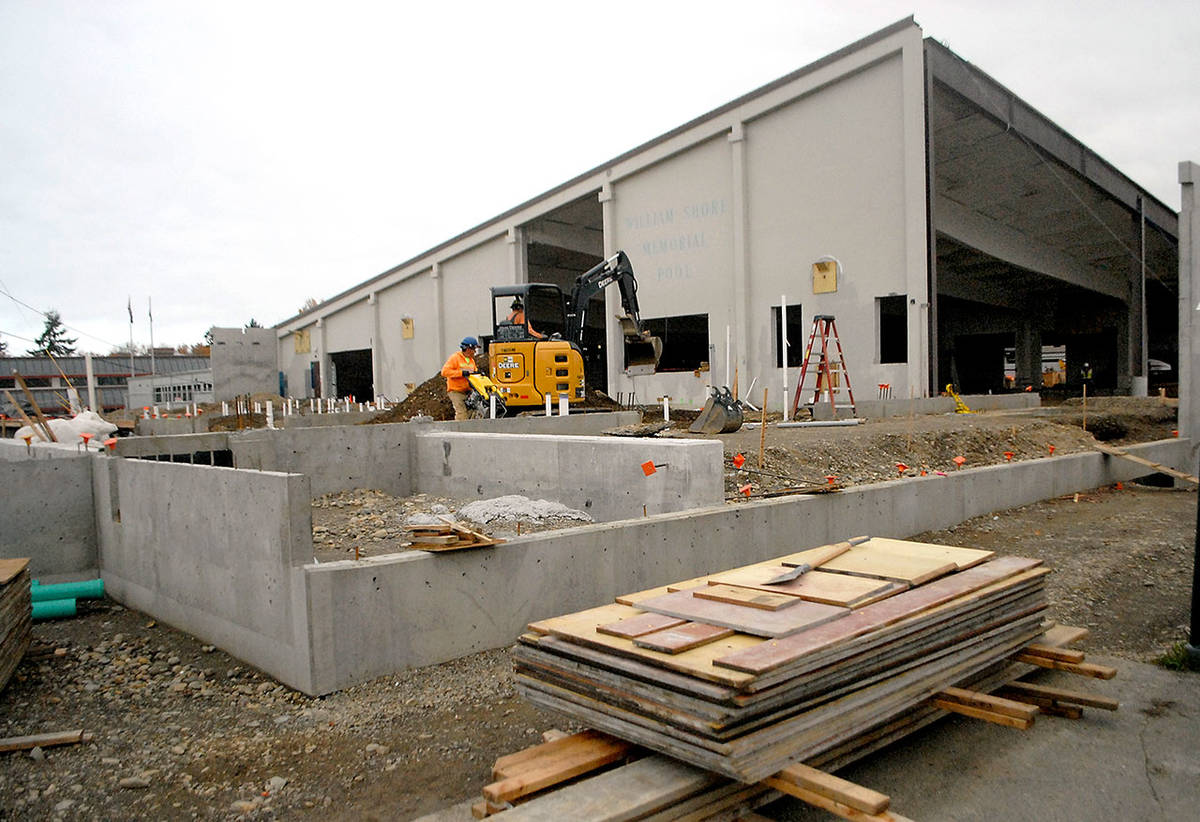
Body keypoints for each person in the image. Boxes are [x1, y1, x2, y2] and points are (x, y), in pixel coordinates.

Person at [441, 337, 478, 420]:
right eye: (474, 349)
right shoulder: (455, 358)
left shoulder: (471, 361)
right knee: (462, 413)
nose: (475, 352)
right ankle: (460, 431)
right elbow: (444, 372)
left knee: (472, 412)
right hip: (456, 391)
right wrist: (461, 373)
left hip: (468, 391)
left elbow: (474, 373)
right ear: (468, 349)